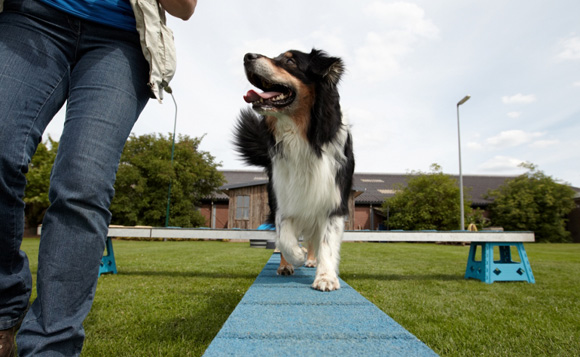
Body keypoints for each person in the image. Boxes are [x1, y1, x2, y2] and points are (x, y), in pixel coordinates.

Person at [0, 0, 196, 355]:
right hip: (31, 17)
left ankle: (51, 347)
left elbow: (185, 7)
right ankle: (3, 311)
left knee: (83, 184)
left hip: (121, 36)